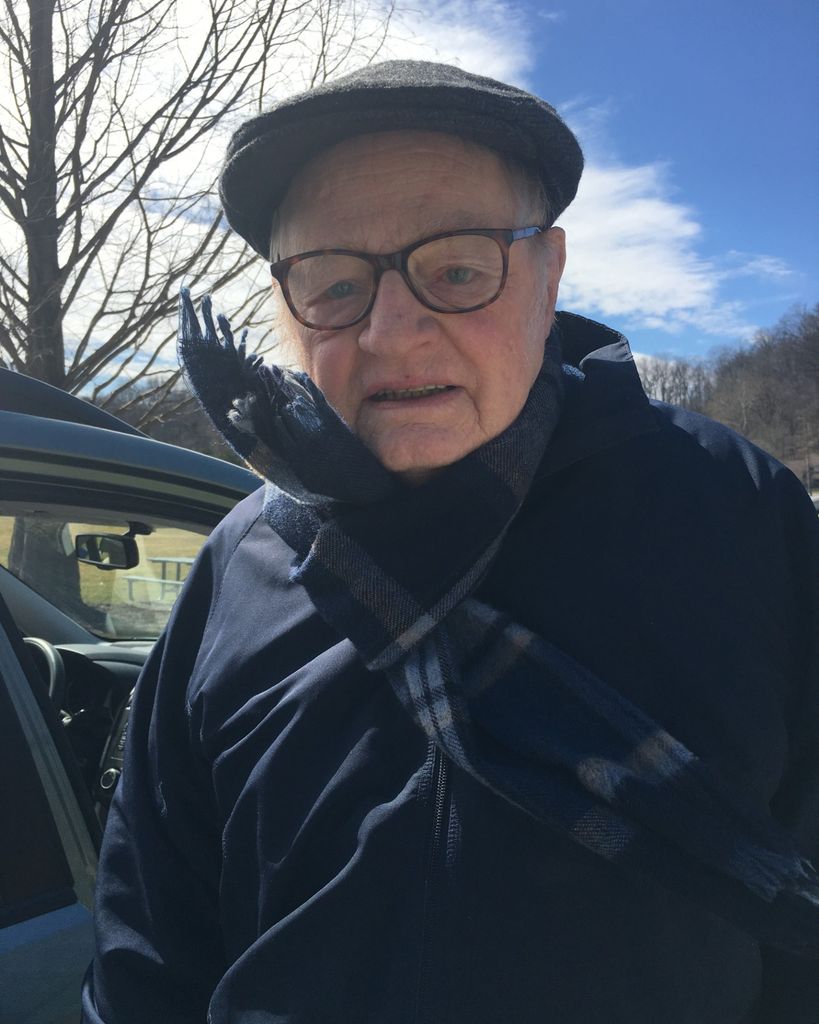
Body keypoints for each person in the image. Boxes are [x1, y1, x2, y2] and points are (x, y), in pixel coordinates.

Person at [82, 61, 819, 1023]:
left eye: (459, 271)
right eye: (334, 282)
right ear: (287, 309)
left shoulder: (735, 513)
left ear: (549, 276)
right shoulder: (238, 563)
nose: (392, 332)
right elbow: (148, 944)